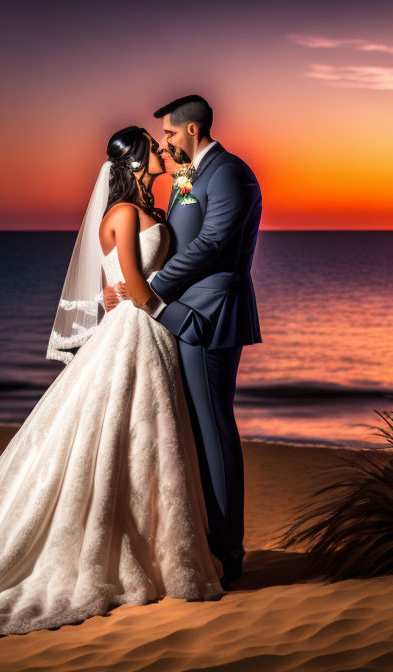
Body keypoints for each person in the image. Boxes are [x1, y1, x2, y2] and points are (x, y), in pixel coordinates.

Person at [0, 126, 225, 643]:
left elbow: (113, 292)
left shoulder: (152, 210)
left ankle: (159, 547)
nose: (161, 150)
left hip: (142, 329)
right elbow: (130, 288)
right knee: (132, 435)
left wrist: (134, 297)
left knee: (149, 441)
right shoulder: (122, 215)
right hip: (140, 332)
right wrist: (178, 318)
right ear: (138, 162)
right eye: (153, 146)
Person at [104, 95, 262, 588]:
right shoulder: (189, 176)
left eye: (170, 135)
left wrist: (150, 291)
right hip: (177, 316)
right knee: (192, 430)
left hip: (208, 315)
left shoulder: (229, 173)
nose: (166, 144)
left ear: (192, 130)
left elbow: (213, 242)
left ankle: (227, 551)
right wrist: (125, 285)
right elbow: (170, 236)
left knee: (213, 430)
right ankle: (198, 539)